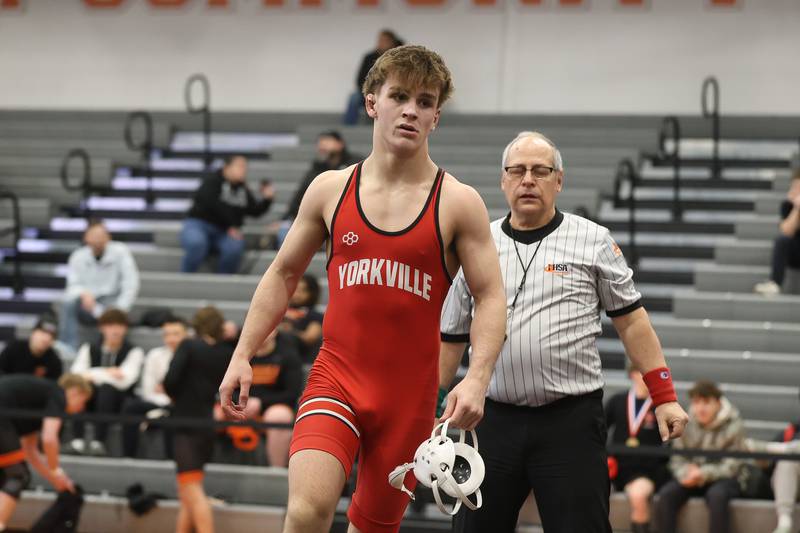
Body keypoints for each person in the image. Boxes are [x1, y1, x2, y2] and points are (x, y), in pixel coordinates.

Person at [219, 45, 507, 533]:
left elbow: (491, 295)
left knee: (373, 528)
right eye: (399, 96)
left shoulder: (458, 202)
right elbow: (284, 273)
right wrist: (243, 352)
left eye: (424, 100)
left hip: (409, 399)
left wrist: (477, 377)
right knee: (308, 510)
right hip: (337, 377)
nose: (411, 110)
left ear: (436, 116)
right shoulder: (330, 188)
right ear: (372, 102)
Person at [439, 131, 688, 533]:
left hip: (568, 423)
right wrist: (426, 410)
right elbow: (451, 335)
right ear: (503, 180)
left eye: (540, 171)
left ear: (559, 180)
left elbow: (633, 322)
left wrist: (664, 397)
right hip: (492, 419)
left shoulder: (592, 241)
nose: (528, 180)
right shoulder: (478, 242)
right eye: (517, 171)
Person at [164, 306, 233, 533]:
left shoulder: (189, 346)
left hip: (186, 422)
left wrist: (177, 396)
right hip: (207, 423)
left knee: (192, 490)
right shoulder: (225, 352)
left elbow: (170, 380)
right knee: (187, 492)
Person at [0, 373, 92, 531]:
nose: (80, 409)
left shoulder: (36, 401)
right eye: (83, 402)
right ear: (75, 392)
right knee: (17, 475)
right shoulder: (58, 394)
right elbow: (49, 438)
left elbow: (30, 451)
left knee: (4, 475)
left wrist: (55, 479)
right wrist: (56, 470)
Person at [655, 380, 747, 533]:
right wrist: (686, 473)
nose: (701, 408)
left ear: (718, 403)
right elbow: (677, 459)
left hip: (725, 479)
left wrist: (703, 473)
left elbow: (733, 465)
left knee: (717, 496)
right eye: (696, 402)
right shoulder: (685, 421)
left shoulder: (734, 423)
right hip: (691, 476)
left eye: (706, 402)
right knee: (666, 495)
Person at [181, 154, 275, 274]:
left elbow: (254, 211)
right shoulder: (212, 180)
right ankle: (185, 279)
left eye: (245, 167)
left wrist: (267, 200)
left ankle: (223, 283)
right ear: (226, 167)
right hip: (200, 224)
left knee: (234, 248)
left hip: (223, 232)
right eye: (240, 166)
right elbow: (211, 203)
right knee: (196, 244)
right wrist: (231, 225)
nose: (244, 170)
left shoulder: (242, 189)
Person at [69, 309, 144, 456]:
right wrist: (108, 372)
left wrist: (92, 374)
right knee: (80, 388)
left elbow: (125, 381)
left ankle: (99, 441)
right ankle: (77, 441)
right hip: (90, 400)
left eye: (120, 326)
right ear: (102, 328)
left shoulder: (134, 351)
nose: (115, 330)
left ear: (125, 328)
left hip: (118, 402)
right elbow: (75, 376)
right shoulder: (89, 347)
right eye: (110, 326)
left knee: (107, 388)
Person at [605, 367, 671, 533]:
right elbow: (598, 431)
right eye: (641, 373)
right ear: (632, 374)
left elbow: (670, 442)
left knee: (638, 496)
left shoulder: (660, 406)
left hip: (645, 471)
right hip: (617, 468)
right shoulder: (617, 401)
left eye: (649, 374)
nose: (645, 378)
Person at [58, 220, 140, 351]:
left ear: (108, 237)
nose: (98, 239)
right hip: (88, 305)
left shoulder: (121, 251)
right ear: (86, 238)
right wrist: (83, 294)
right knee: (68, 302)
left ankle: (113, 348)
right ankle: (68, 347)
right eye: (93, 235)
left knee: (116, 317)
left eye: (101, 235)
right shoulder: (78, 256)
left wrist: (119, 309)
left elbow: (131, 283)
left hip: (114, 303)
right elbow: (72, 286)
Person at [275, 132, 362, 248]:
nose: (322, 145)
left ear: (340, 144)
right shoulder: (317, 168)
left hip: (348, 215)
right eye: (320, 143)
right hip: (319, 217)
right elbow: (301, 195)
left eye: (327, 141)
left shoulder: (356, 164)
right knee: (285, 232)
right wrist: (285, 219)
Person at [121, 316, 188, 458]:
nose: (171, 339)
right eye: (166, 334)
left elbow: (189, 391)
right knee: (130, 408)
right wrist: (168, 395)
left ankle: (173, 461)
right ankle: (129, 457)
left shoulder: (194, 356)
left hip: (182, 406)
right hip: (158, 402)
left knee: (173, 414)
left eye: (176, 334)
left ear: (186, 334)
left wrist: (166, 390)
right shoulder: (154, 355)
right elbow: (148, 390)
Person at [343, 29, 403, 125]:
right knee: (354, 98)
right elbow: (359, 80)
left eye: (384, 40)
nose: (380, 43)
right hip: (370, 91)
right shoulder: (369, 57)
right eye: (379, 40)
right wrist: (370, 91)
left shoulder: (399, 58)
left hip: (392, 92)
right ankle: (348, 127)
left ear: (392, 42)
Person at [755, 169, 800, 296]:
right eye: (795, 187)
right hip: (795, 253)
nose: (796, 191)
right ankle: (774, 284)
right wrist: (797, 208)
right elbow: (786, 231)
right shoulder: (787, 206)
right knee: (781, 240)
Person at [0, 315, 62, 380]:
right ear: (33, 332)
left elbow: (54, 386)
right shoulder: (13, 349)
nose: (46, 338)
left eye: (51, 336)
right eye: (43, 332)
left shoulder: (54, 361)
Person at [279, 274, 324, 362]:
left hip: (300, 355)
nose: (297, 294)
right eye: (295, 289)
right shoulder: (280, 312)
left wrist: (289, 331)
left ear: (312, 293)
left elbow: (310, 337)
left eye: (303, 290)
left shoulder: (314, 315)